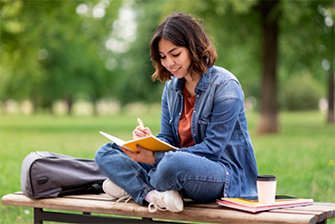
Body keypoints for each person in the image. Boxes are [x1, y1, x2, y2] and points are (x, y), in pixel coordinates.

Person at [95, 12, 258, 213]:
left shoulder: (225, 86)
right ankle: (151, 195)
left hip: (221, 175)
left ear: (193, 48)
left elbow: (212, 150)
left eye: (175, 54)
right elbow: (168, 138)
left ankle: (131, 186)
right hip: (173, 165)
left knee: (171, 164)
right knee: (106, 152)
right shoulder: (172, 87)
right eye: (162, 57)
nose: (169, 63)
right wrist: (149, 142)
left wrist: (154, 158)